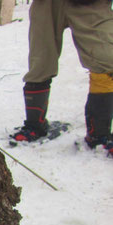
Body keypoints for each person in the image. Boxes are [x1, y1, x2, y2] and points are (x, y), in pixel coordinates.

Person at [11, 0, 113, 156]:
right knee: (40, 61)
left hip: (92, 3)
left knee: (106, 61)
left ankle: (98, 135)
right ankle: (34, 125)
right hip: (47, 3)